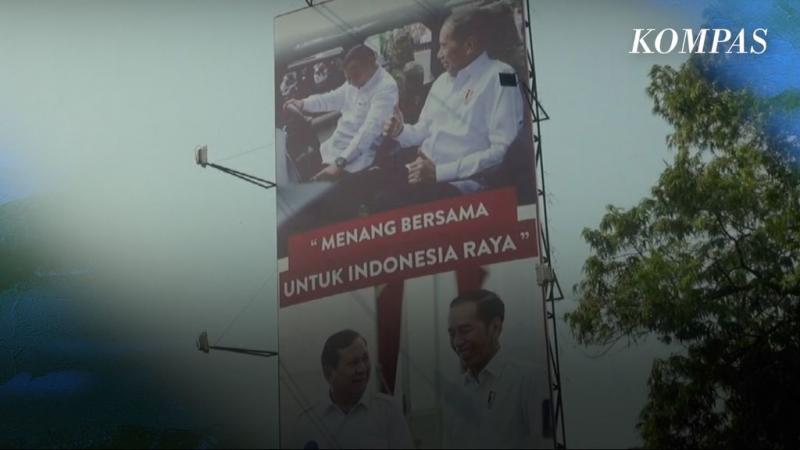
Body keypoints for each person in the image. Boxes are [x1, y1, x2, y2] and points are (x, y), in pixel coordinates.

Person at [381, 7, 525, 207]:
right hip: (420, 173)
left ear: (469, 45)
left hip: (458, 187)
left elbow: (502, 151)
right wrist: (400, 131)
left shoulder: (503, 75)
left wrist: (439, 173)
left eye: (443, 46)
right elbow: (423, 130)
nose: (439, 54)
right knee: (371, 188)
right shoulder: (441, 81)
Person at [443, 290, 548, 449]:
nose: (457, 341)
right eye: (452, 333)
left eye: (465, 330)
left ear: (495, 327)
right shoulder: (455, 391)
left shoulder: (529, 381)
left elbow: (546, 443)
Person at [284, 44, 399, 182]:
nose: (350, 83)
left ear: (370, 62)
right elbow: (331, 98)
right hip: (334, 147)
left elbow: (368, 132)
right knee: (298, 168)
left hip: (355, 161)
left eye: (354, 76)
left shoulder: (386, 88)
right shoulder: (355, 81)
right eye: (348, 78)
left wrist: (340, 163)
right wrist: (303, 103)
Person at [292, 329, 414, 449]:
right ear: (329, 373)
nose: (362, 369)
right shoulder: (307, 422)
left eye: (365, 359)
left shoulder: (388, 412)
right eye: (353, 363)